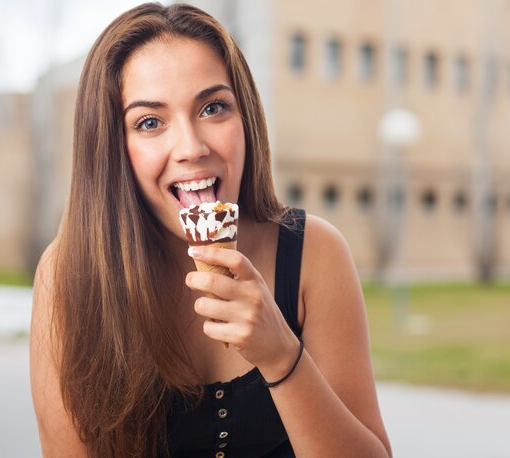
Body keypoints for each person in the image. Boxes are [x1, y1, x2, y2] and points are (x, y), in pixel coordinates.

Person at [30, 3, 392, 457]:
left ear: (246, 118)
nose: (191, 147)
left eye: (213, 107)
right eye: (149, 122)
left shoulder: (314, 252)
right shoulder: (67, 277)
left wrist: (281, 356)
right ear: (112, 149)